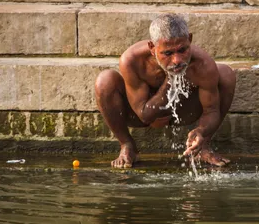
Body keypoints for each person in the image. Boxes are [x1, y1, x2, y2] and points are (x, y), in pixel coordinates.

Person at [95, 14, 236, 168]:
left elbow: (211, 111)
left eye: (182, 50)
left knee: (225, 74)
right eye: (168, 53)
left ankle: (202, 146)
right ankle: (127, 145)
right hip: (143, 113)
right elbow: (145, 115)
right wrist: (172, 80)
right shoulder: (132, 60)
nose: (177, 60)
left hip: (184, 111)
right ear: (152, 48)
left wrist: (202, 131)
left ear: (189, 39)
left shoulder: (202, 63)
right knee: (105, 81)